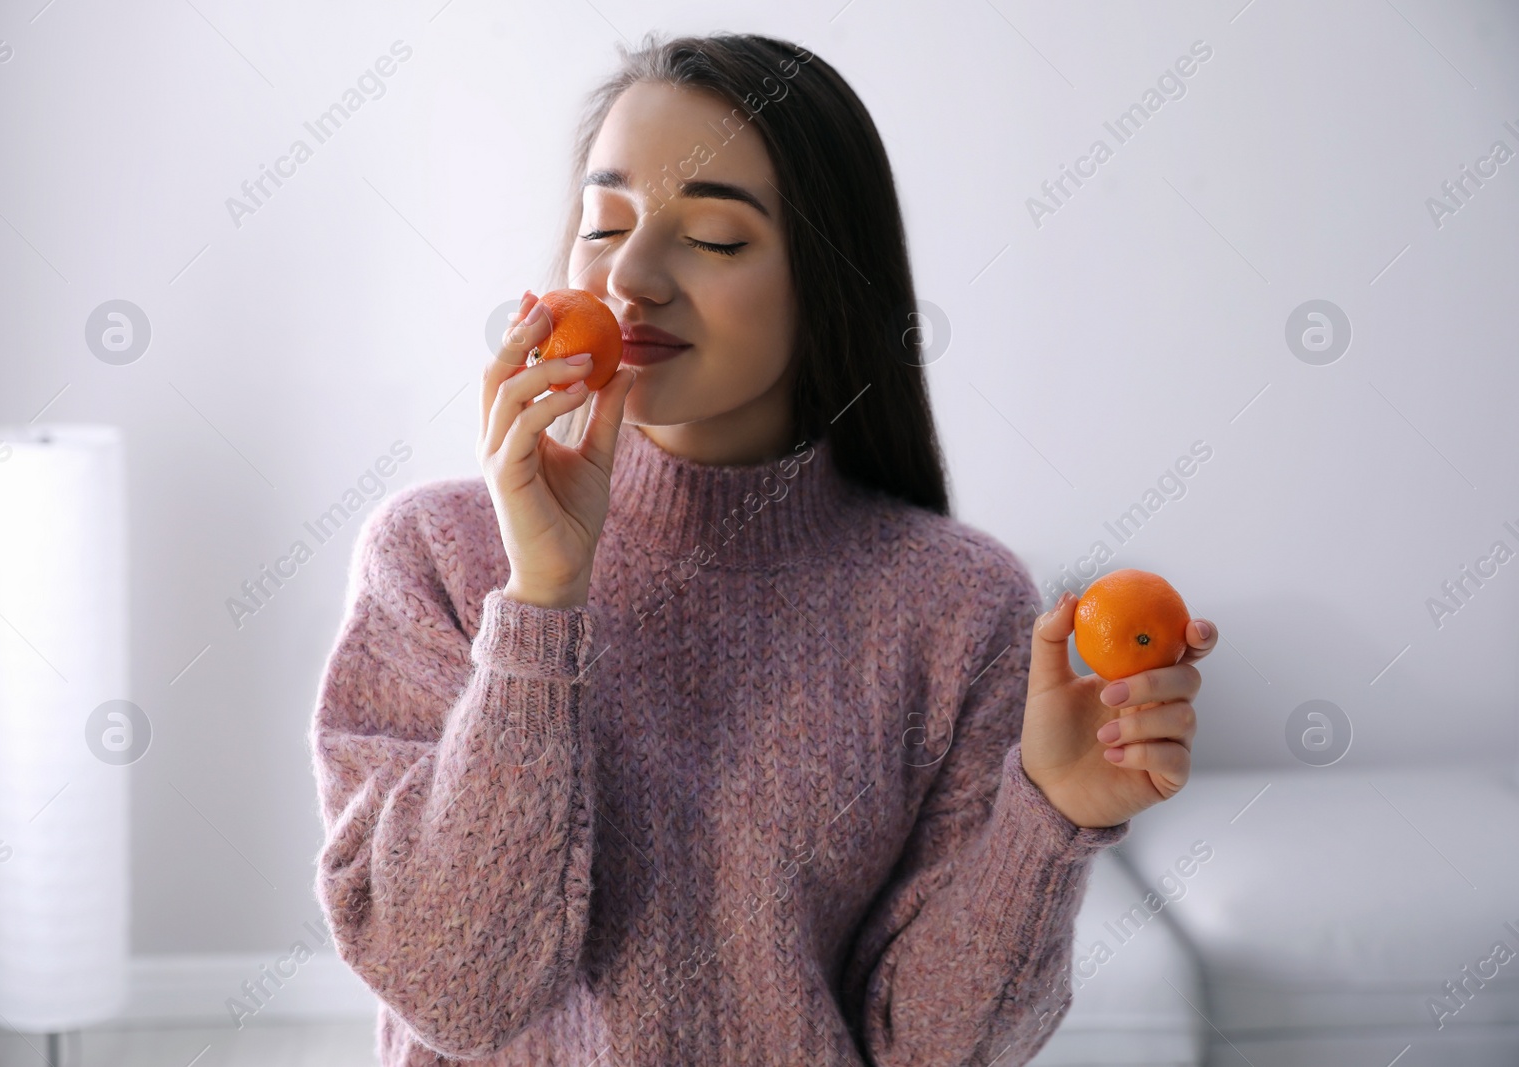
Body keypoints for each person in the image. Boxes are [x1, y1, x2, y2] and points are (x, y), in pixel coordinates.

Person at [308, 30, 1216, 1067]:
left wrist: (1051, 817)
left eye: (715, 239)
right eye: (605, 224)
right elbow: (456, 987)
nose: (633, 275)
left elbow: (925, 1046)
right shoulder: (436, 555)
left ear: (828, 280)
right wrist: (543, 601)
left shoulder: (955, 605)